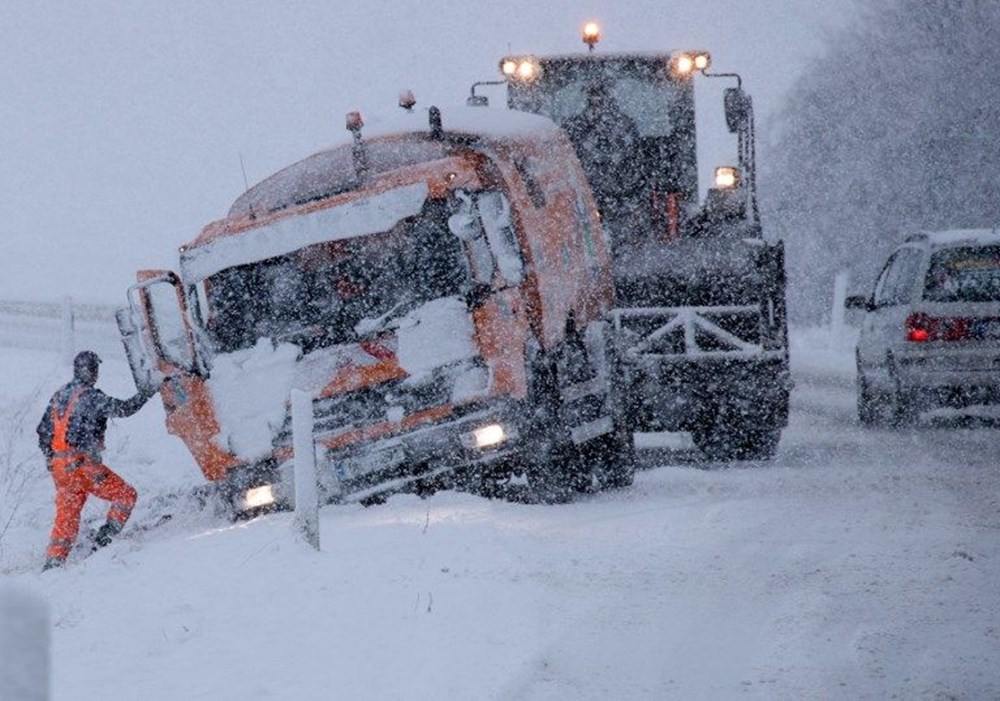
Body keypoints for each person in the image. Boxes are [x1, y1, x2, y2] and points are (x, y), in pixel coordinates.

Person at [36, 350, 159, 570]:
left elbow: (43, 431)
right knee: (125, 496)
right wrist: (148, 391)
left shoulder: (59, 396)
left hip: (59, 469)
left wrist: (50, 459)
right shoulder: (91, 397)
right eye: (96, 370)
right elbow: (124, 409)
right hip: (83, 466)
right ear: (92, 372)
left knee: (67, 516)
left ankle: (53, 563)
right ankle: (104, 540)